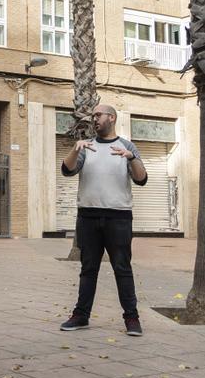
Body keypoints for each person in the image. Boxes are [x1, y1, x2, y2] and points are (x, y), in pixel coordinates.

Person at [58, 104, 148, 337]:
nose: (94, 119)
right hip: (88, 216)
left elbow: (141, 179)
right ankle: (81, 315)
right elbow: (67, 171)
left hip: (118, 217)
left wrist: (132, 158)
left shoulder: (127, 146)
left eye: (98, 115)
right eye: (93, 116)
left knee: (122, 268)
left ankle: (132, 318)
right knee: (88, 268)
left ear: (112, 117)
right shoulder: (87, 146)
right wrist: (75, 150)